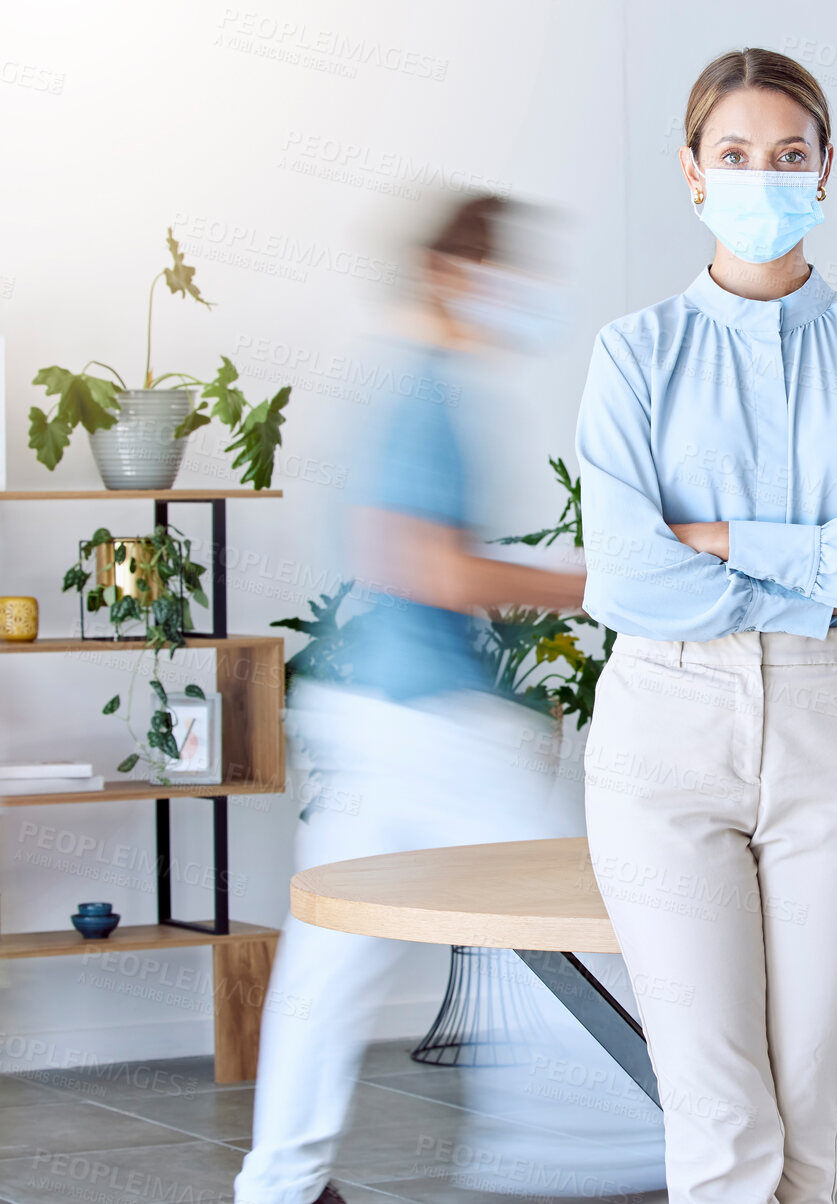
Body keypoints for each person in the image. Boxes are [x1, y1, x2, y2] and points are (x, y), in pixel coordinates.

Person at [575, 49, 837, 1204]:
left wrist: (725, 537)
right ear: (692, 174)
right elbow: (630, 580)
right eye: (736, 156)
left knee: (807, 1100)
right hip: (667, 728)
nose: (764, 178)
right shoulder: (633, 353)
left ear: (827, 171)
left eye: (789, 156)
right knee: (716, 1103)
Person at [232, 195, 594, 1204]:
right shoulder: (428, 393)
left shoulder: (404, 385)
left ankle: (280, 1184)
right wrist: (594, 584)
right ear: (455, 273)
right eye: (506, 275)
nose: (519, 298)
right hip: (428, 721)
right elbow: (426, 565)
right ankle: (607, 1152)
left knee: (331, 969)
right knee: (566, 916)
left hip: (367, 704)